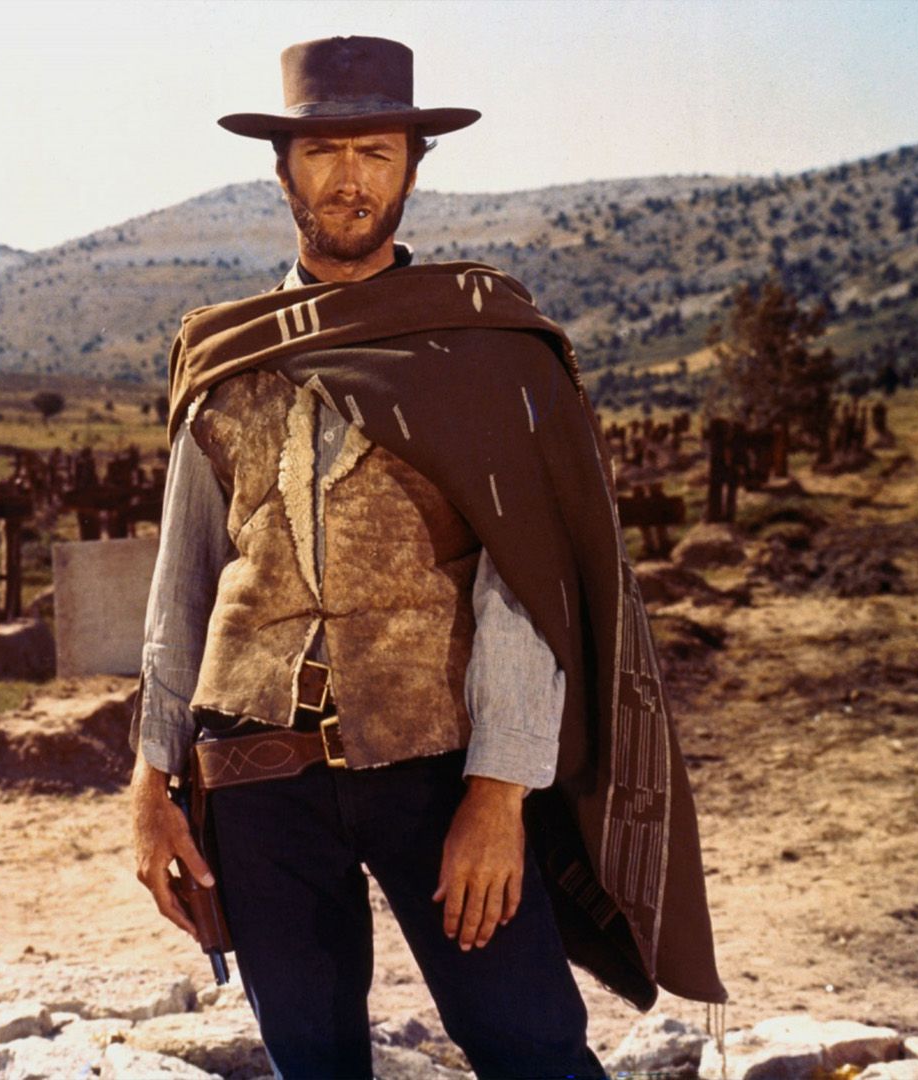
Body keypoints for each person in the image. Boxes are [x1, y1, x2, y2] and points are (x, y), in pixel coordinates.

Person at [128, 36, 726, 1079]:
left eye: (376, 150)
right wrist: (150, 778)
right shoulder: (223, 354)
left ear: (413, 166)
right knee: (310, 1059)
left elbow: (526, 590)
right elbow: (182, 588)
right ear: (283, 171)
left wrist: (498, 795)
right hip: (256, 769)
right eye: (323, 154)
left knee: (530, 1045)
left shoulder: (485, 350)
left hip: (437, 767)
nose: (350, 177)